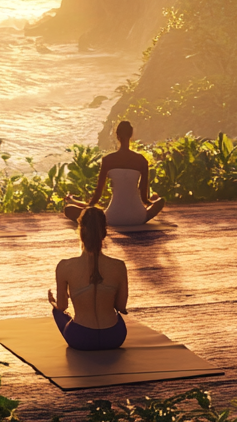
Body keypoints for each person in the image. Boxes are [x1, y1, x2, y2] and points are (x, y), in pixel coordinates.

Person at [48, 206, 129, 350]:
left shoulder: (65, 266)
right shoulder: (119, 266)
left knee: (57, 311)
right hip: (114, 337)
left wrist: (53, 303)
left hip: (80, 337)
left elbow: (62, 307)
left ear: (80, 232)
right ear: (104, 233)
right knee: (116, 317)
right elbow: (121, 307)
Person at [63, 120, 163, 225]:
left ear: (117, 135)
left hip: (112, 217)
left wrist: (88, 208)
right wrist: (151, 203)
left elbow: (97, 195)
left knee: (69, 209)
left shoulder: (108, 160)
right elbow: (143, 197)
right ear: (131, 134)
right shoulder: (141, 160)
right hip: (138, 217)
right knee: (161, 201)